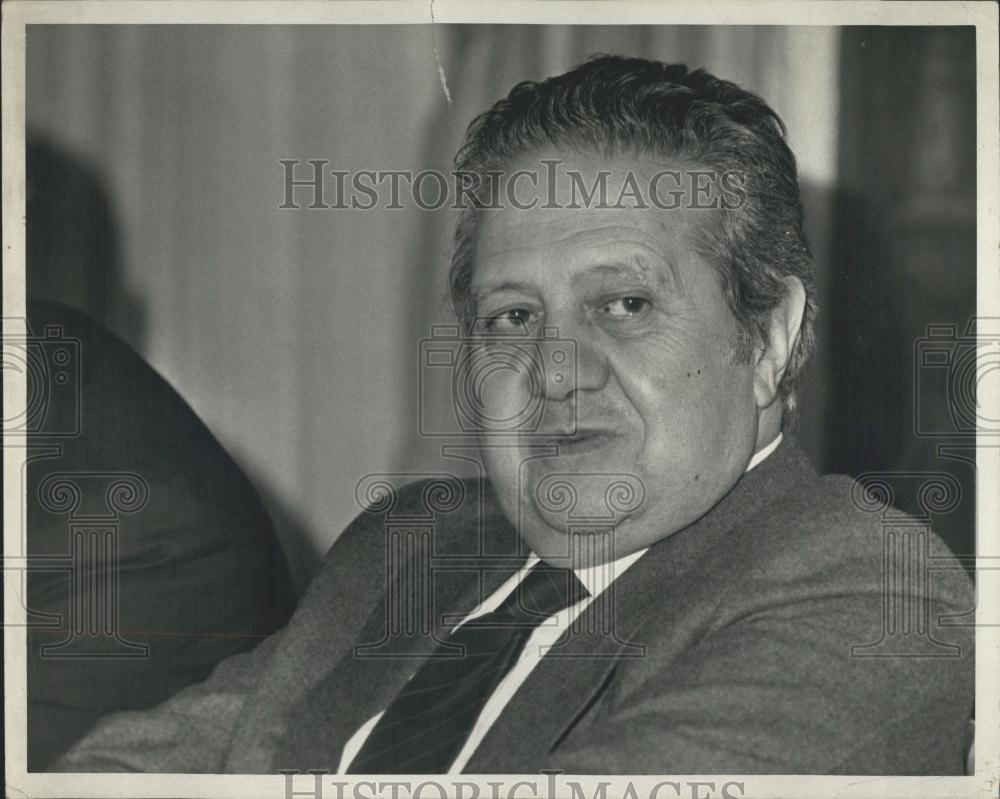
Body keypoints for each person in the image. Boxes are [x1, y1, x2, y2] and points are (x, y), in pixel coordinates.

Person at [54, 55, 974, 776]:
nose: (554, 372)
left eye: (624, 304)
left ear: (770, 336)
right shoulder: (410, 546)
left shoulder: (867, 589)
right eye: (512, 318)